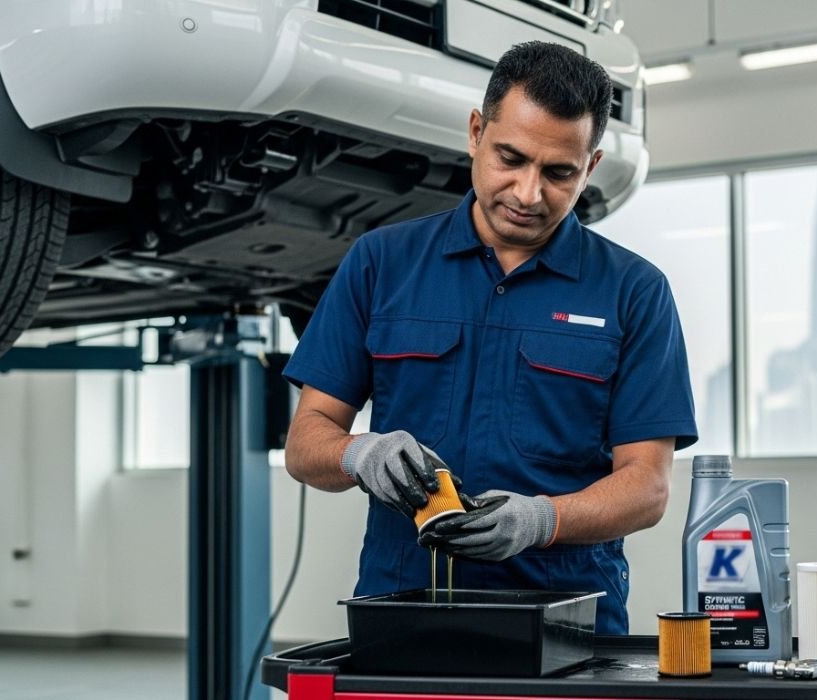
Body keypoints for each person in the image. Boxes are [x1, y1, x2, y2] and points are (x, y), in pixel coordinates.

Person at [281, 41, 698, 635]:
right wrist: (359, 453)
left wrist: (540, 520)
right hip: (405, 610)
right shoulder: (381, 264)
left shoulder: (634, 291)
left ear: (591, 166)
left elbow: (647, 488)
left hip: (566, 626)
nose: (529, 194)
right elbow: (305, 444)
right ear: (476, 132)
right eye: (511, 158)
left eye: (559, 173)